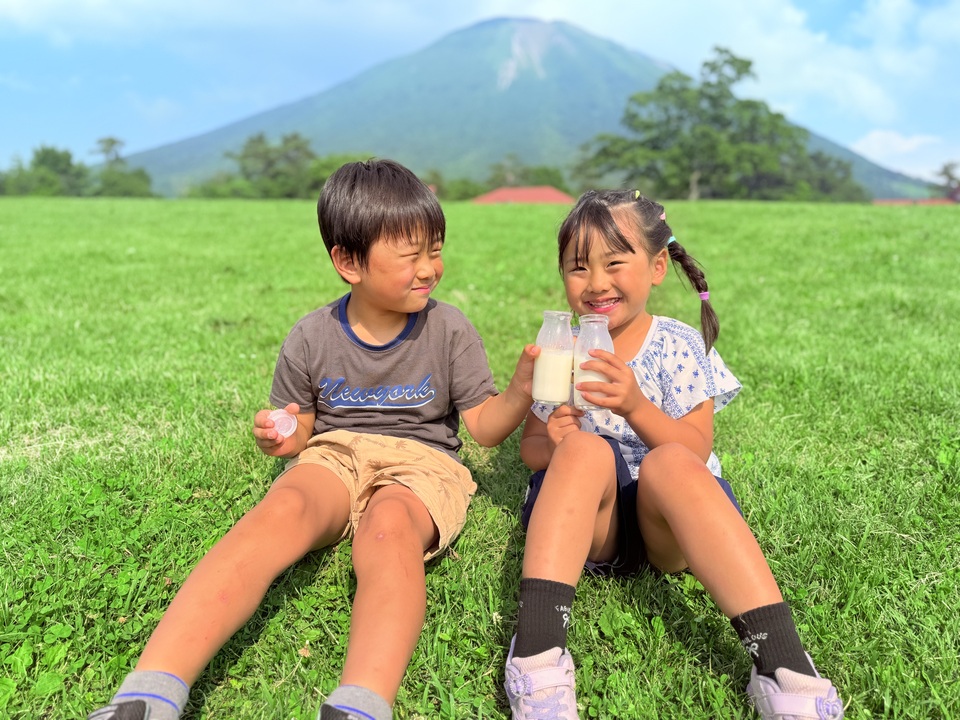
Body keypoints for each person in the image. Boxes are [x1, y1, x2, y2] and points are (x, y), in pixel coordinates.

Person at [88, 158, 537, 720]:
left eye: (435, 250)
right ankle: (149, 692)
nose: (429, 269)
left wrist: (520, 392)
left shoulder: (449, 330)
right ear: (348, 261)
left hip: (421, 465)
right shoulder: (312, 335)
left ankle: (362, 704)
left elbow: (484, 429)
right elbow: (300, 426)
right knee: (283, 508)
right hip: (335, 454)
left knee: (388, 529)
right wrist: (282, 435)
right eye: (410, 255)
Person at [503, 190, 844, 720]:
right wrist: (552, 441)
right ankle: (537, 652)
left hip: (671, 530)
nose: (596, 283)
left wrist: (637, 405)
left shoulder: (678, 344)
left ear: (658, 265)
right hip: (595, 527)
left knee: (671, 461)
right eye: (578, 268)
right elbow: (529, 448)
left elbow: (695, 446)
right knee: (584, 451)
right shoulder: (560, 347)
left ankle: (782, 664)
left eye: (615, 263)